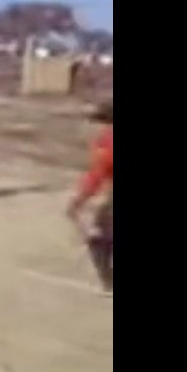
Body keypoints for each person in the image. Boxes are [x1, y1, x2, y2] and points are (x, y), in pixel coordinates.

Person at [67, 100, 113, 292]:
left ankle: (109, 284)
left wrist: (77, 203)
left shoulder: (106, 141)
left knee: (98, 241)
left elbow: (96, 177)